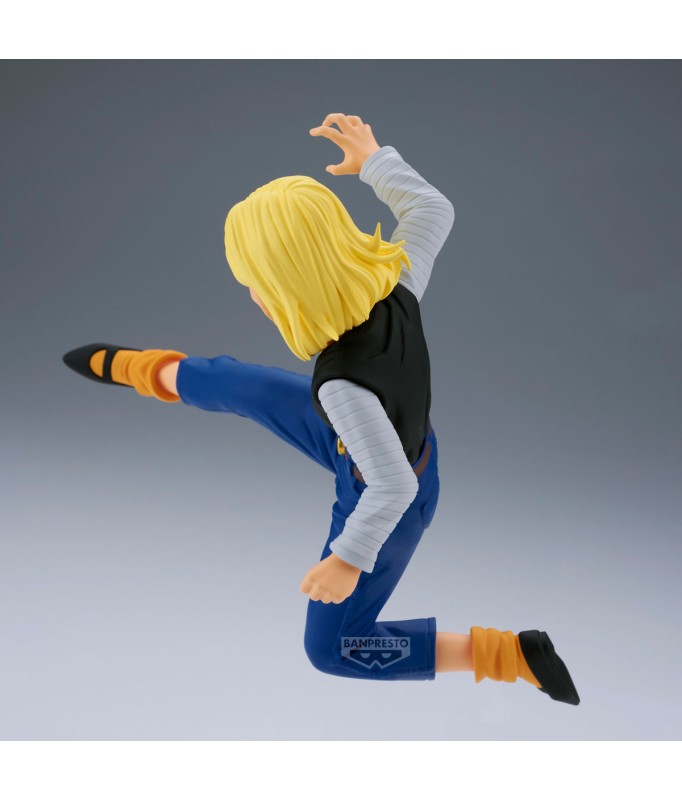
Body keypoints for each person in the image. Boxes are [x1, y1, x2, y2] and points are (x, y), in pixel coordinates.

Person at [63, 113, 579, 703]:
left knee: (333, 650)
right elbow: (433, 210)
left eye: (257, 284)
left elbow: (392, 488)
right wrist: (376, 161)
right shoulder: (399, 284)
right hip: (378, 439)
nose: (253, 296)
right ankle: (143, 368)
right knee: (245, 386)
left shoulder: (341, 387)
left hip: (383, 491)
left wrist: (347, 559)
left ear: (291, 289)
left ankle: (510, 656)